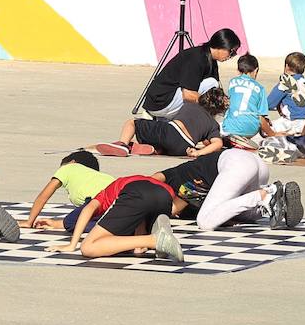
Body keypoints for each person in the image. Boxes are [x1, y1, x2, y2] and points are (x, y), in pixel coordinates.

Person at [48, 174, 186, 264]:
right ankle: (153, 235)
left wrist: (72, 244)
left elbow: (88, 209)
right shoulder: (128, 181)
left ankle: (154, 240)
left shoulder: (105, 194)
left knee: (88, 247)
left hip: (135, 191)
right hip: (165, 194)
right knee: (137, 224)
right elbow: (137, 215)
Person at [155, 149, 303, 231]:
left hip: (237, 165)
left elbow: (171, 207)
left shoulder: (176, 180)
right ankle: (280, 199)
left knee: (205, 222)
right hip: (251, 164)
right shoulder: (186, 190)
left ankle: (267, 195)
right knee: (245, 215)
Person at [97, 80, 226, 157]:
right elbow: (217, 144)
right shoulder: (213, 124)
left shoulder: (190, 104)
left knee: (132, 123)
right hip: (183, 147)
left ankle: (123, 145)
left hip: (171, 132)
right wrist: (198, 152)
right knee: (164, 144)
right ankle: (155, 149)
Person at [138, 28, 241, 119]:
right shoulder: (196, 58)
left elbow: (217, 92)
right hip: (159, 103)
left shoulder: (210, 60)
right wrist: (214, 105)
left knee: (215, 90)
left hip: (166, 102)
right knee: (211, 85)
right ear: (222, 46)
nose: (232, 56)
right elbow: (188, 95)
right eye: (232, 52)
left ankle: (169, 118)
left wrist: (226, 103)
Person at [20, 150, 115, 232]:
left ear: (72, 162)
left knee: (70, 222)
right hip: (118, 199)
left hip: (99, 200)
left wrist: (29, 222)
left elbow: (43, 196)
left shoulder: (69, 168)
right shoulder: (101, 176)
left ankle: (108, 228)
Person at [222, 54, 266, 141]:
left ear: (238, 71)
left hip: (230, 128)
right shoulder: (260, 88)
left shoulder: (232, 82)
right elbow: (261, 118)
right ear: (256, 70)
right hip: (251, 130)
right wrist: (273, 134)